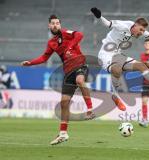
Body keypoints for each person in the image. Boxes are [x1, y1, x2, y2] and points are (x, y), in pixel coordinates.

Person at [21, 15, 95, 145]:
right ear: (49, 26)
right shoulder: (52, 43)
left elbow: (80, 35)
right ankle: (63, 134)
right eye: (53, 23)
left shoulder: (67, 33)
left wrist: (71, 46)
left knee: (80, 80)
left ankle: (90, 110)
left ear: (60, 25)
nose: (55, 25)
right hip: (67, 71)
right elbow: (44, 58)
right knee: (64, 103)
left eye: (57, 23)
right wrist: (30, 63)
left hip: (80, 65)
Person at [91, 7, 149, 111]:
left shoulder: (139, 31)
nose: (142, 33)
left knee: (141, 65)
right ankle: (115, 96)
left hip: (118, 55)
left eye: (144, 31)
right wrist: (99, 16)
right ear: (135, 24)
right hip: (105, 55)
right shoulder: (122, 25)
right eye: (141, 29)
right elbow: (107, 24)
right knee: (116, 69)